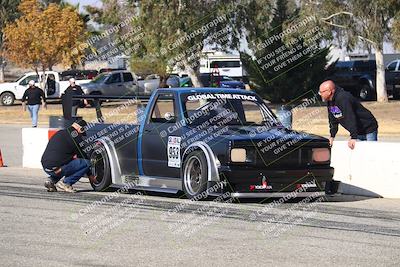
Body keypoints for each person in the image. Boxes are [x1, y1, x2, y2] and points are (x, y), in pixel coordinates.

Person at [319, 80, 378, 150]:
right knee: (360, 154)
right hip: (358, 131)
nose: (320, 94)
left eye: (321, 92)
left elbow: (350, 117)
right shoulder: (330, 101)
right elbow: (333, 119)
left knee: (370, 152)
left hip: (368, 128)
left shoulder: (343, 98)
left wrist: (353, 137)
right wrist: (332, 136)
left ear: (329, 92)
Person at [41, 119, 96, 192]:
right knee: (86, 163)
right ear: (81, 129)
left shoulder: (60, 132)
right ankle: (66, 183)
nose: (81, 136)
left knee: (67, 164)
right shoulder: (76, 137)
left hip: (46, 166)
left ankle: (51, 180)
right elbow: (82, 156)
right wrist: (90, 175)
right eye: (82, 133)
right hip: (57, 168)